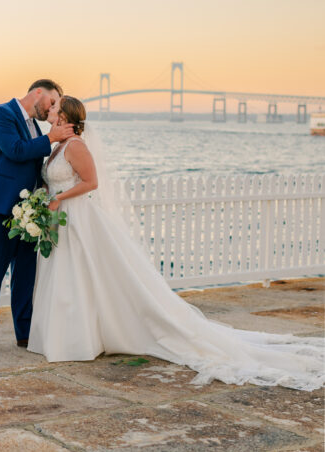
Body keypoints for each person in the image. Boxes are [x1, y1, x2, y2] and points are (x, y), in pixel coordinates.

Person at [27, 95, 324, 391]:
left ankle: (81, 339)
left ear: (65, 116)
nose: (49, 110)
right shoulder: (58, 146)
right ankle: (68, 336)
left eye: (54, 107)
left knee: (79, 274)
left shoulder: (76, 145)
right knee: (68, 276)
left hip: (77, 217)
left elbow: (91, 182)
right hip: (62, 219)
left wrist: (58, 199)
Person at [0, 80, 74, 355]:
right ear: (38, 92)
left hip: (27, 213)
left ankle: (24, 334)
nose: (51, 108)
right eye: (52, 102)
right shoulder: (1, 114)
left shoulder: (35, 127)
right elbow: (15, 150)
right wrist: (52, 138)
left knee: (25, 276)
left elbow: (32, 165)